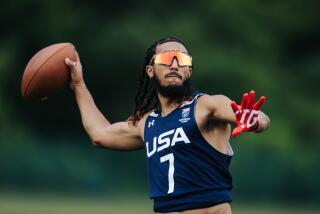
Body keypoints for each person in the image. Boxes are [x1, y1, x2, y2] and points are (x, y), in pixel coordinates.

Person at [65, 37, 270, 214]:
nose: (174, 65)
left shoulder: (206, 105)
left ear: (188, 70)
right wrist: (78, 84)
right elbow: (99, 134)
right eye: (165, 58)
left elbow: (252, 116)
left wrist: (255, 120)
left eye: (181, 59)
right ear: (150, 70)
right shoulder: (147, 123)